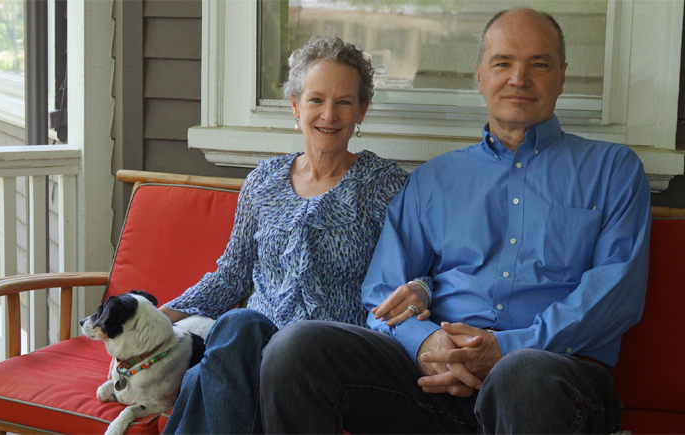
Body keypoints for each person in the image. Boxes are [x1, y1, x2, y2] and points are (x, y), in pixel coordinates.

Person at [259, 8, 652, 434]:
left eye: (538, 64)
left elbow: (616, 293)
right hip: (435, 379)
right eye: (503, 63)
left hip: (556, 376)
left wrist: (506, 349)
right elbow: (380, 292)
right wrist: (425, 342)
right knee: (296, 348)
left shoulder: (613, 170)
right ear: (480, 76)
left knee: (519, 373)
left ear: (561, 76)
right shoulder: (433, 180)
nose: (518, 78)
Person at [158, 35, 412, 435]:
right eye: (316, 99)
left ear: (362, 110)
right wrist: (160, 319)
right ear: (295, 105)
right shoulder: (262, 182)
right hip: (252, 346)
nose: (329, 114)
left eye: (344, 101)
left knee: (200, 379)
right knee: (238, 325)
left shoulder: (385, 185)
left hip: (325, 355)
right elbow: (231, 277)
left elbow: (412, 275)